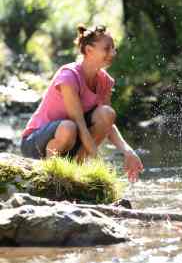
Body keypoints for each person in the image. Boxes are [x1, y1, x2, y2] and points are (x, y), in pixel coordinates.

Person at [20, 24, 144, 182]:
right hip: (35, 143)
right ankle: (51, 175)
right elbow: (79, 124)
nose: (113, 53)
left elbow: (108, 124)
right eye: (107, 48)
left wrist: (128, 152)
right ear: (88, 50)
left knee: (107, 113)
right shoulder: (69, 76)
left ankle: (76, 171)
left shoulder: (105, 81)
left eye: (114, 48)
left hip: (70, 138)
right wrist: (101, 165)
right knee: (69, 127)